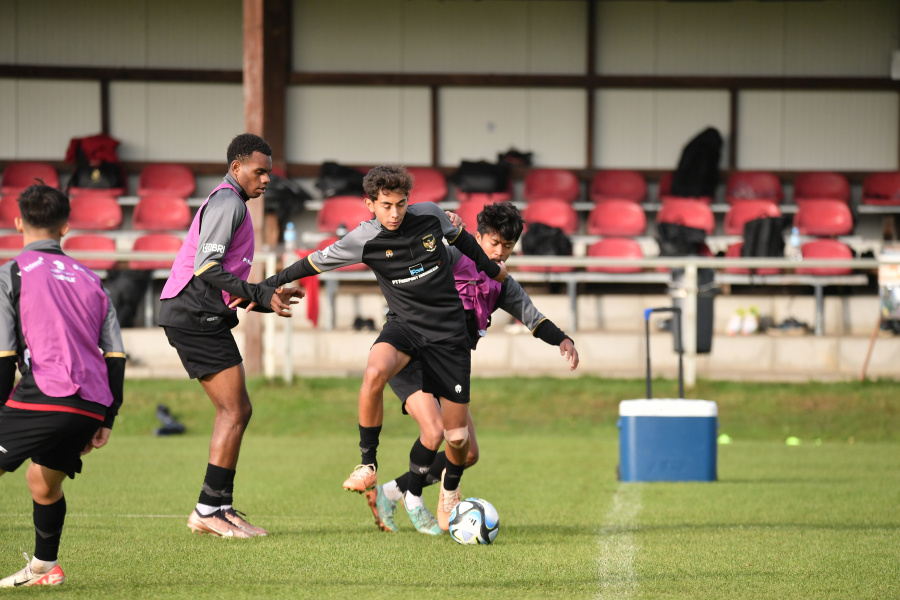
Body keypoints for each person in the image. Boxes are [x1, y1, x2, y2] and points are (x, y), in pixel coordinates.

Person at [257, 165, 507, 529]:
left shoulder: (433, 216)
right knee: (374, 370)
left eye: (401, 204)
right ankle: (367, 463)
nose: (394, 213)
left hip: (448, 335)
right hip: (404, 328)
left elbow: (464, 240)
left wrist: (491, 268)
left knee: (457, 439)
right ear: (369, 204)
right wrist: (264, 288)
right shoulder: (363, 239)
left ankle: (449, 489)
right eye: (386, 205)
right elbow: (312, 263)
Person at [366, 202, 579, 534]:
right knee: (435, 432)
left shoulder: (502, 283)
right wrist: (440, 222)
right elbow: (422, 247)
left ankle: (390, 493)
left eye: (507, 247)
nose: (499, 252)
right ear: (475, 237)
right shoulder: (451, 258)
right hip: (414, 359)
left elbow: (533, 318)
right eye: (493, 243)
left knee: (466, 453)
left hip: (449, 367)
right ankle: (417, 500)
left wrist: (563, 339)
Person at [158, 133, 304, 538]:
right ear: (236, 167)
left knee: (238, 410)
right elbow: (206, 267)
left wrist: (261, 296)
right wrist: (260, 292)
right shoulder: (228, 202)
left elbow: (223, 280)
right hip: (192, 313)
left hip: (199, 312)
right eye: (259, 172)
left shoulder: (232, 202)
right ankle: (208, 509)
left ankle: (218, 505)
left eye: (269, 173)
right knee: (234, 411)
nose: (266, 180)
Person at [0, 183, 126, 587]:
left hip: (44, 397)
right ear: (66, 226)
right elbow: (116, 355)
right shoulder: (92, 279)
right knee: (41, 481)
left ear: (17, 221)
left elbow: (4, 356)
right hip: (89, 405)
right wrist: (107, 417)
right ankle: (43, 567)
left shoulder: (11, 273)